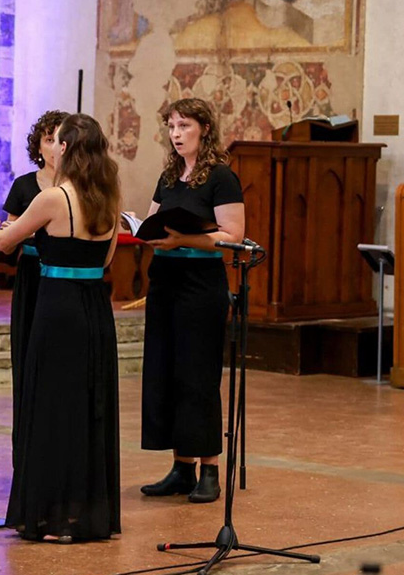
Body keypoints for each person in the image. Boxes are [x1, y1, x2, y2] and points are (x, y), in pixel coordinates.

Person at [0, 113, 122, 543]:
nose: (53, 147)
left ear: (68, 148)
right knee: (89, 407)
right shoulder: (108, 197)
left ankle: (53, 517)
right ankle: (84, 514)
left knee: (54, 408)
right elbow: (107, 259)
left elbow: (6, 243)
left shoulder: (53, 197)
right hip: (95, 308)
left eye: (58, 141)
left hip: (59, 308)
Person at [138, 97, 245, 504]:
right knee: (167, 372)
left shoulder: (221, 176)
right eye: (171, 127)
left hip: (200, 285)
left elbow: (232, 236)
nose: (176, 134)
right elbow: (152, 221)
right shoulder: (169, 176)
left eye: (184, 126)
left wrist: (185, 238)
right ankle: (181, 468)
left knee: (197, 376)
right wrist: (144, 231)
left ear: (204, 129)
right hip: (165, 280)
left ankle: (209, 469)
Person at [2, 109, 68, 467]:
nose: (55, 147)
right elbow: (8, 237)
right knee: (26, 360)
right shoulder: (25, 185)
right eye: (48, 139)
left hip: (64, 277)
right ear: (39, 147)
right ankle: (24, 454)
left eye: (61, 139)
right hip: (32, 275)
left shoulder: (79, 186)